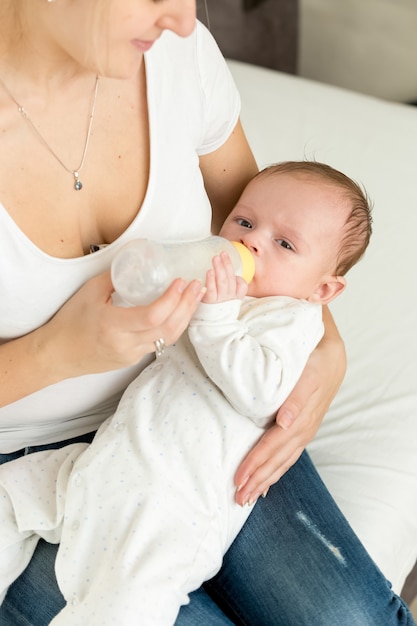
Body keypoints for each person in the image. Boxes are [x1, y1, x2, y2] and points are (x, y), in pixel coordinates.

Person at [0, 2, 413, 625]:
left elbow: (273, 228)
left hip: (205, 417)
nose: (185, 20)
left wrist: (326, 351)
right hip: (30, 452)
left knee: (347, 618)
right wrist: (58, 351)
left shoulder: (173, 56)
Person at [0, 160, 372, 625]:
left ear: (322, 289)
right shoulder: (214, 284)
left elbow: (260, 392)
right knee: (9, 497)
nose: (251, 241)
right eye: (245, 221)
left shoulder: (291, 319)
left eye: (285, 243)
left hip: (172, 510)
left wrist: (214, 318)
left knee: (124, 606)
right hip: (108, 460)